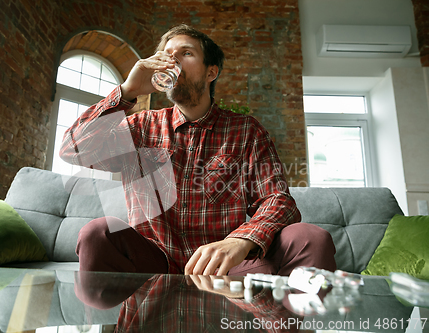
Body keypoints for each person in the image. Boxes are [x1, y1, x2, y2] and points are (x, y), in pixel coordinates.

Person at [60, 24, 336, 276]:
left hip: (227, 265)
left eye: (186, 53)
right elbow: (73, 149)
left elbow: (278, 199)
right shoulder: (141, 126)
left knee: (311, 238)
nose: (172, 60)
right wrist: (128, 89)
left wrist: (240, 241)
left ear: (211, 72)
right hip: (153, 262)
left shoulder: (246, 130)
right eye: (166, 54)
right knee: (98, 233)